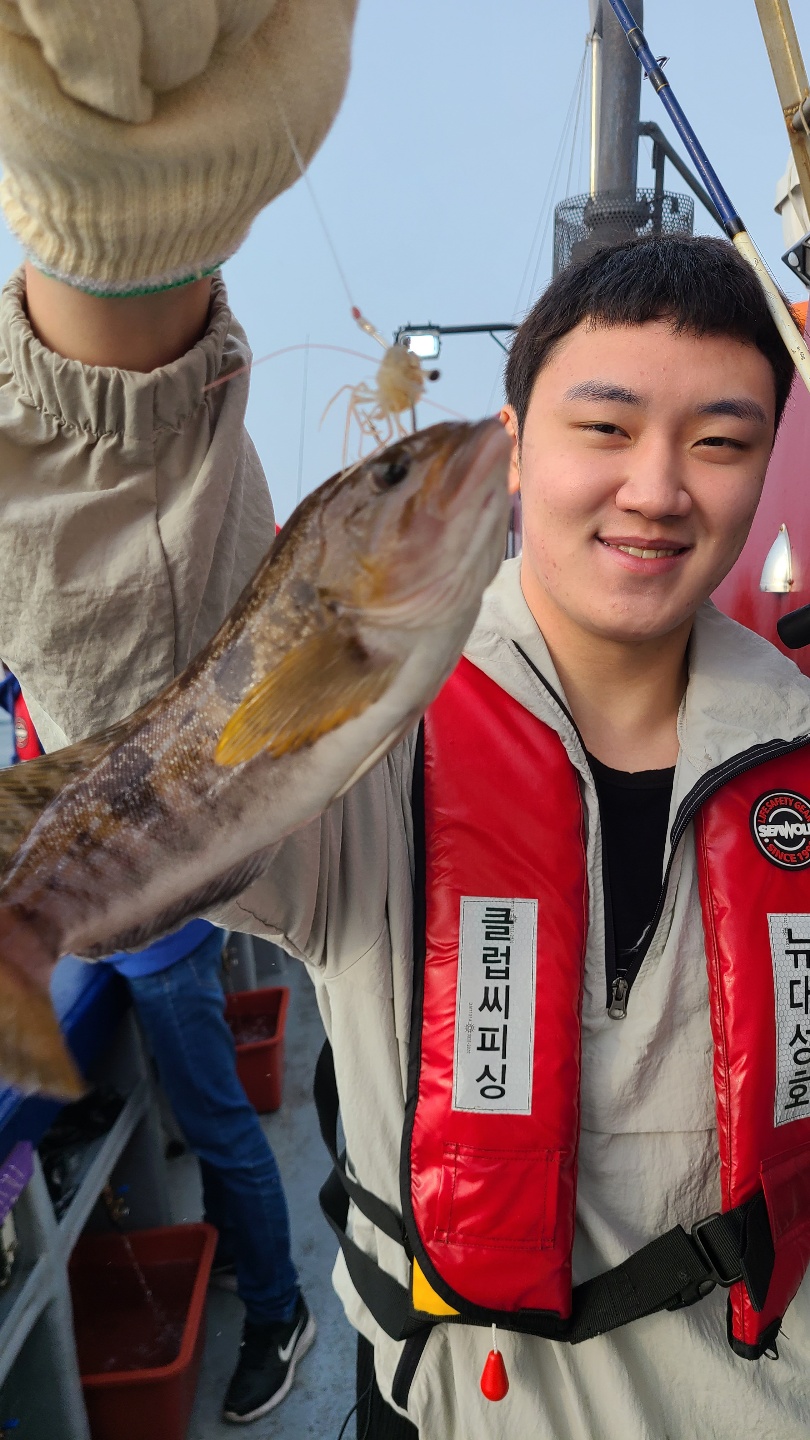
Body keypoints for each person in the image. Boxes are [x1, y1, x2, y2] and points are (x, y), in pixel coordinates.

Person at [0, 17, 809, 1440]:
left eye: (722, 441)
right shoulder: (376, 759)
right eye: (604, 427)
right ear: (517, 439)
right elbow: (149, 665)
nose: (656, 488)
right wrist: (122, 252)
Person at [0, 663, 308, 1424]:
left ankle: (280, 1311)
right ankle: (235, 1248)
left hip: (160, 943)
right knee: (205, 1120)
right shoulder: (22, 682)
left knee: (219, 1124)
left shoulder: (73, 667)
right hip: (114, 936)